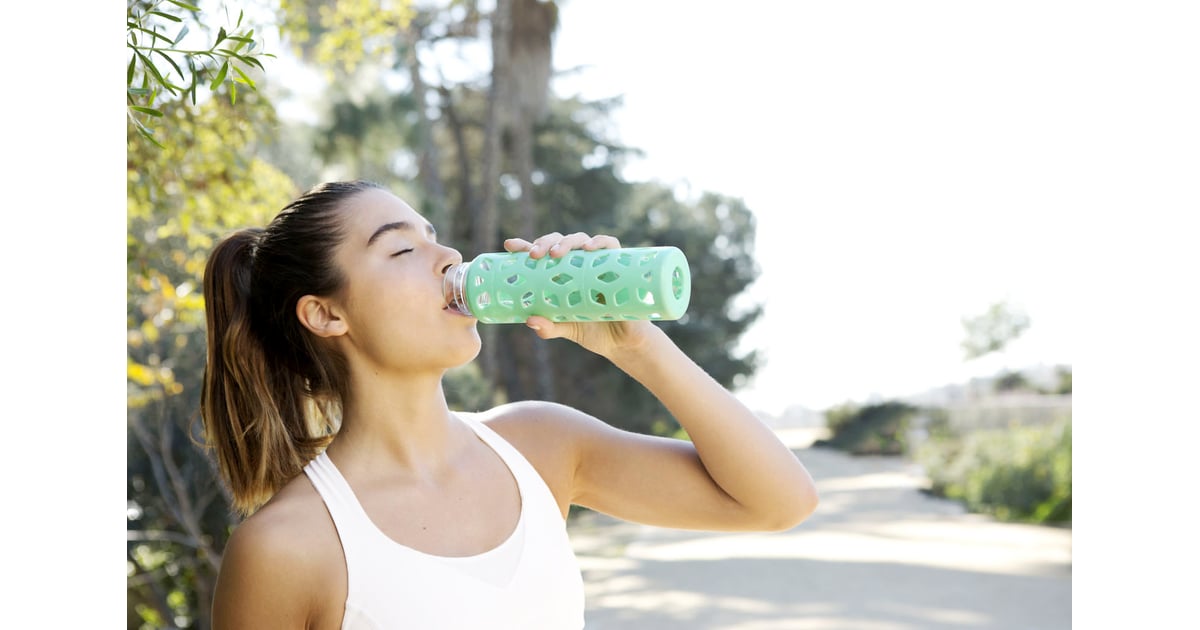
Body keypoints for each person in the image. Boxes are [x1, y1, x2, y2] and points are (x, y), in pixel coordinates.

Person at [201, 179, 819, 629]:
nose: (447, 259)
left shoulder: (540, 445)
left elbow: (780, 502)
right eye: (401, 250)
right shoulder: (288, 547)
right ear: (327, 313)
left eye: (434, 239)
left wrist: (636, 345)